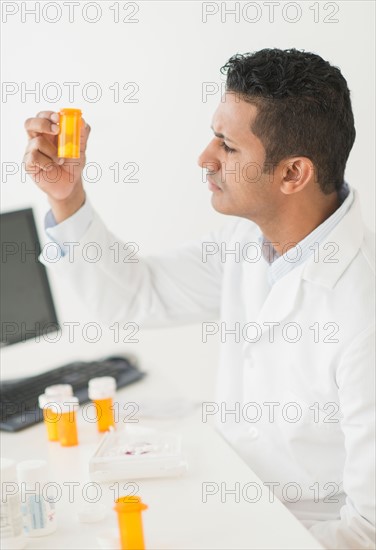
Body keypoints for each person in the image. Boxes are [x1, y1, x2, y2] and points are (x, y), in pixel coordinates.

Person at [23, 48, 375, 549]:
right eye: (215, 134)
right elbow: (132, 298)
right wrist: (66, 195)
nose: (204, 158)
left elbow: (366, 531)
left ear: (292, 174)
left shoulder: (364, 312)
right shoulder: (248, 245)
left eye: (228, 146)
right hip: (229, 497)